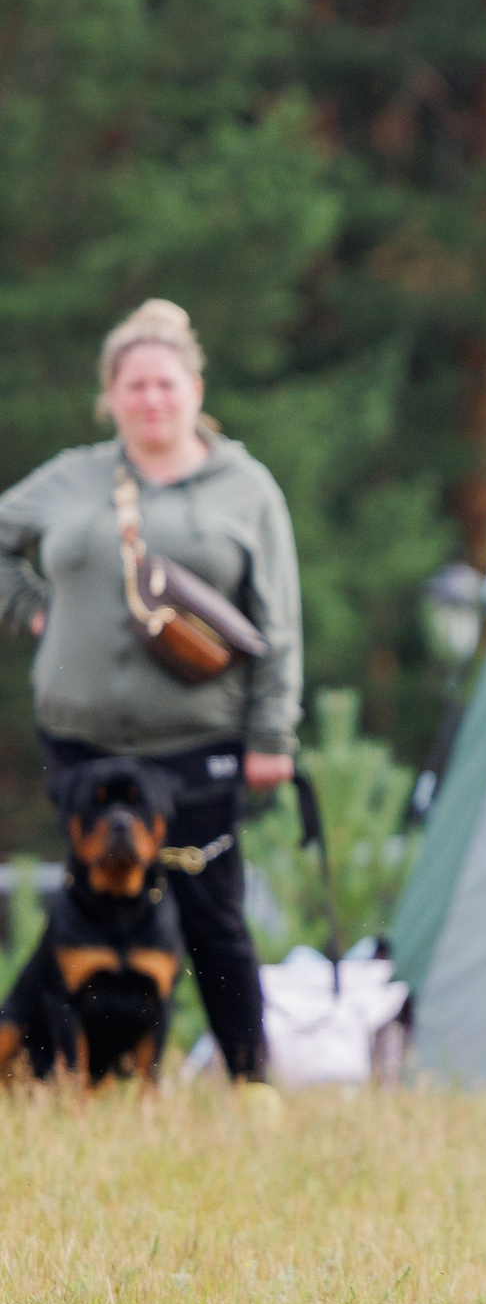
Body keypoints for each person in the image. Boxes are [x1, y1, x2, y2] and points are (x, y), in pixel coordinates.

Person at [0, 298, 302, 1082]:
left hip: (197, 742)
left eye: (166, 384)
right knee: (81, 910)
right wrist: (33, 612)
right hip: (81, 740)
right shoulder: (72, 479)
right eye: (134, 387)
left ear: (195, 389)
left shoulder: (247, 488)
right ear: (111, 397)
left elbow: (280, 620)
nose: (152, 400)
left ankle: (248, 1078)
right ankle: (66, 1070)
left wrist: (273, 736)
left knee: (212, 918)